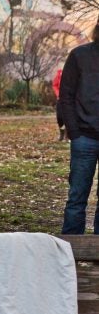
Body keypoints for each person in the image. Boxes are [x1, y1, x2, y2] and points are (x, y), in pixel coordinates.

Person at [59, 19, 99, 235]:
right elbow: (66, 96)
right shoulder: (79, 56)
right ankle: (70, 253)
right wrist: (74, 132)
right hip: (84, 138)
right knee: (77, 197)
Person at [52, 69, 67, 142]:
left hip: (69, 99)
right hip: (60, 98)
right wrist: (58, 94)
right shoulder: (59, 74)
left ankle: (67, 136)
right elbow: (55, 85)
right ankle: (61, 134)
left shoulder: (72, 73)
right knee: (59, 117)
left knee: (67, 117)